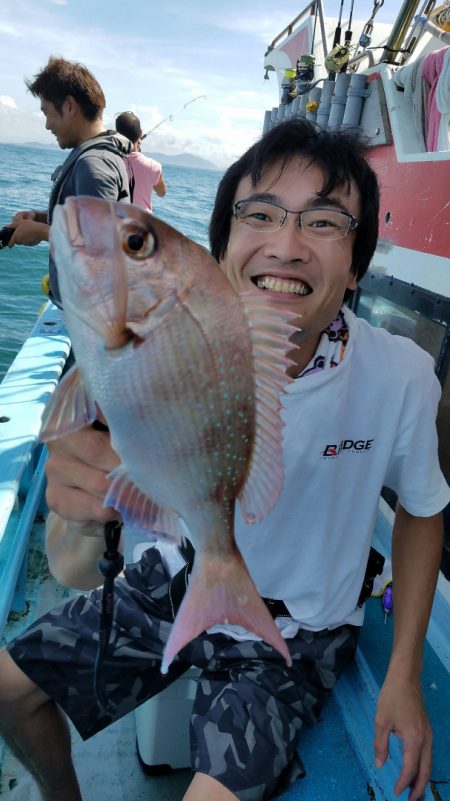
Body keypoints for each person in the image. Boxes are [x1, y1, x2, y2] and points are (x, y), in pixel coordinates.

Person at [0, 118, 448, 801]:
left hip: (297, 633)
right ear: (223, 245)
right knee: (7, 688)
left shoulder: (404, 376)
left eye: (325, 223)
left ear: (357, 264)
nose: (288, 245)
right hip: (175, 574)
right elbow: (75, 558)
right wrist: (82, 507)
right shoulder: (155, 343)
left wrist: (405, 675)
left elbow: (421, 511)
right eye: (260, 213)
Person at [7, 56, 132, 308]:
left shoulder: (93, 164)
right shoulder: (103, 156)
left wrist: (41, 233)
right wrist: (40, 217)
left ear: (70, 107)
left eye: (47, 113)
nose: (46, 125)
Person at [115, 111, 166, 211]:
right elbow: (161, 193)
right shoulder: (153, 166)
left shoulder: (112, 161)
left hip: (117, 221)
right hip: (143, 223)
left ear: (117, 134)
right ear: (140, 133)